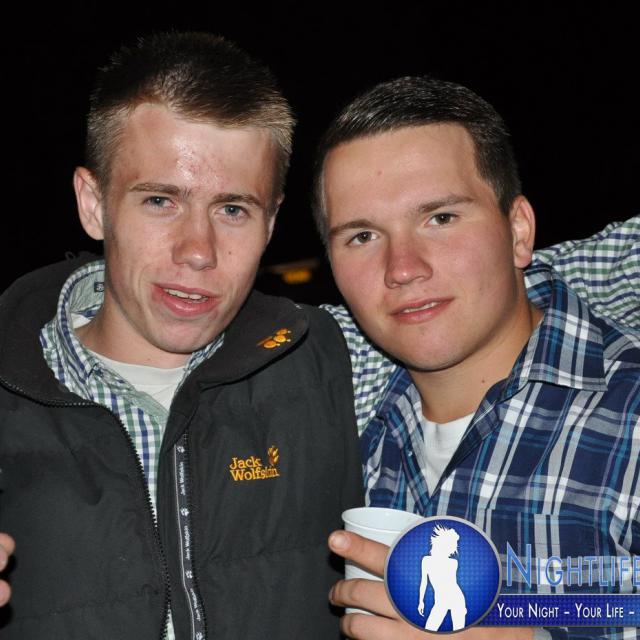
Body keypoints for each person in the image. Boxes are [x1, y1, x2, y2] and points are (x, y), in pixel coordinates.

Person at [0, 32, 364, 639]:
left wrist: (525, 622)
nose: (198, 251)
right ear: (94, 204)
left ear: (272, 222)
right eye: (160, 201)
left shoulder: (338, 359)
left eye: (233, 210)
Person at [312, 76, 640, 639]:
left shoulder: (627, 414)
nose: (403, 267)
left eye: (440, 218)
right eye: (362, 236)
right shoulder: (341, 410)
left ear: (518, 232)